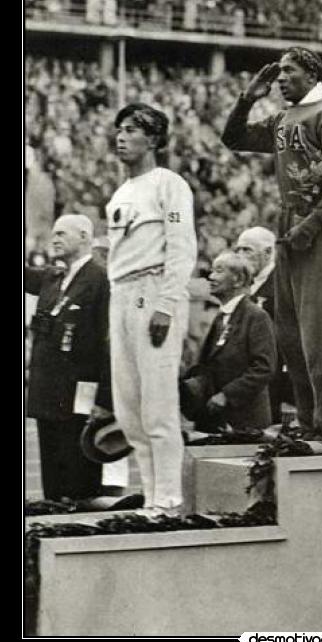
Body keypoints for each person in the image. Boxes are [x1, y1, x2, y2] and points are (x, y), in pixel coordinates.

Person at [222, 47, 322, 445]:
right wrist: (248, 98)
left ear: (312, 76)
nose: (280, 78)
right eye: (278, 72)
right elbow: (235, 138)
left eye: (289, 71)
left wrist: (310, 225)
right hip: (290, 223)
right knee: (290, 335)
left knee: (320, 333)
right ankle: (309, 419)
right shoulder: (284, 118)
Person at [106, 103, 197, 514]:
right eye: (119, 129)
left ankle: (170, 500)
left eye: (131, 129)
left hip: (153, 289)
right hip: (121, 294)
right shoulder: (121, 192)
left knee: (158, 405)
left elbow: (182, 246)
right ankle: (150, 496)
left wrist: (167, 303)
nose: (120, 136)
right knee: (129, 410)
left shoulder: (169, 184)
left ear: (155, 139)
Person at [26, 215, 111, 501]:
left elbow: (108, 344)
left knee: (79, 479)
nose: (55, 239)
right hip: (47, 392)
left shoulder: (100, 280)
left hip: (80, 393)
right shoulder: (54, 276)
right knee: (52, 481)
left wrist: (105, 399)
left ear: (85, 237)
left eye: (62, 233)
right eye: (53, 234)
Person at [180, 252, 277, 431]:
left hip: (245, 423)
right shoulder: (220, 317)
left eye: (218, 271)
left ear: (238, 280)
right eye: (211, 271)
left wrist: (227, 395)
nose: (210, 277)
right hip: (214, 420)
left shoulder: (256, 316)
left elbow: (264, 368)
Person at [234, 226, 294, 424]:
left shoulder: (284, 281)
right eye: (238, 250)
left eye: (247, 250)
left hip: (273, 367)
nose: (241, 255)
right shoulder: (245, 283)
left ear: (268, 252)